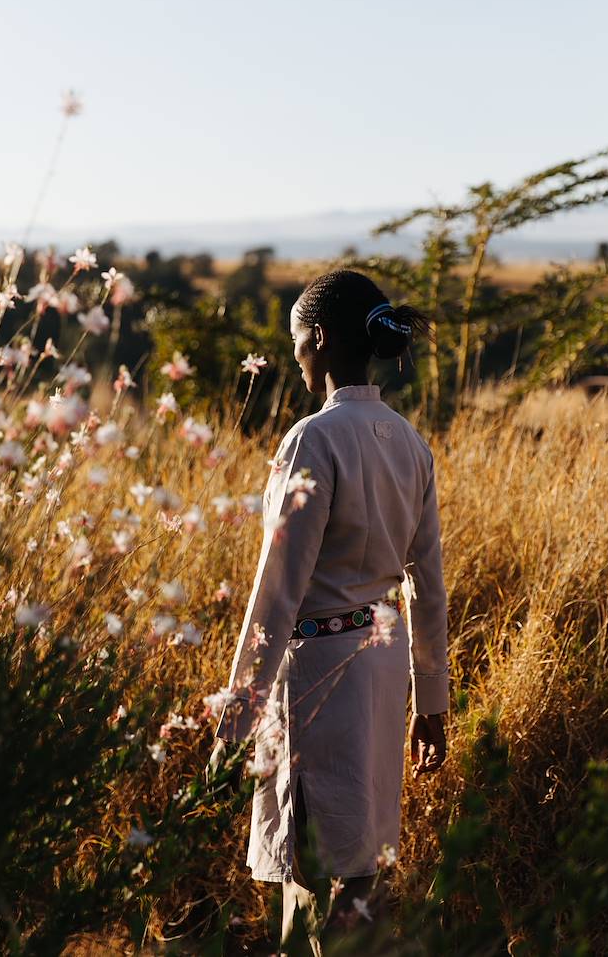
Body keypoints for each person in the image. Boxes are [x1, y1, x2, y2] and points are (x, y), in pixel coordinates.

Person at [207, 269, 449, 955]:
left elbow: (277, 591)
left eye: (295, 342)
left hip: (315, 677)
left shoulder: (311, 439)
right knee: (361, 867)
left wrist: (236, 720)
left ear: (317, 337)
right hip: (381, 671)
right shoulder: (410, 441)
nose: (292, 358)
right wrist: (430, 703)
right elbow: (426, 586)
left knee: (308, 872)